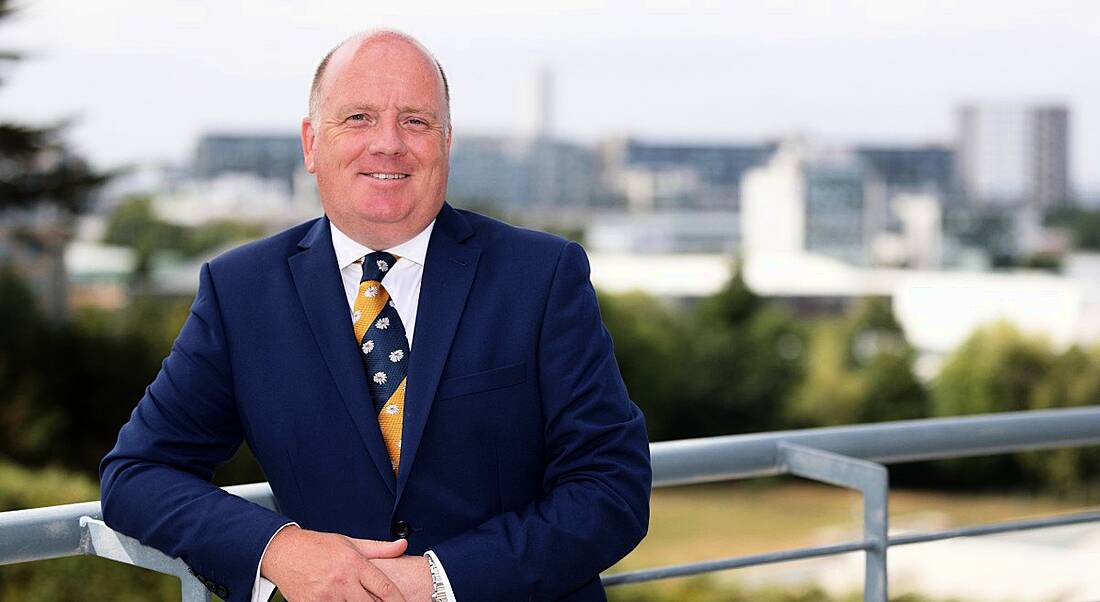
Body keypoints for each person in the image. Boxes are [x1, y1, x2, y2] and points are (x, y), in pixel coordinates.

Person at [99, 29, 651, 602]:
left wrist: (441, 581)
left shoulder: (541, 275)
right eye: (358, 117)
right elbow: (138, 474)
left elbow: (612, 488)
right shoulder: (240, 292)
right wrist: (279, 549)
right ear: (312, 144)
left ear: (446, 141)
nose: (387, 143)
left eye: (415, 121)